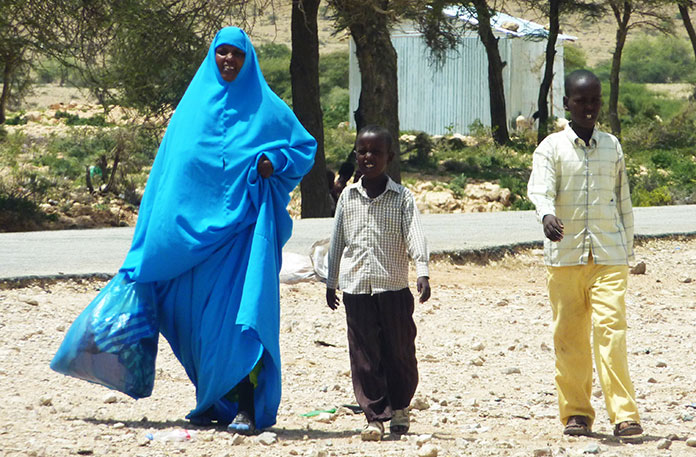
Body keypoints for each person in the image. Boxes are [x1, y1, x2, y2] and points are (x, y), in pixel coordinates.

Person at [51, 27, 316, 434]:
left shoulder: (268, 108)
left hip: (240, 240)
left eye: (236, 54)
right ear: (213, 56)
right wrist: (147, 248)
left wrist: (273, 162)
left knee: (241, 320)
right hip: (190, 245)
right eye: (222, 52)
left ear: (249, 60)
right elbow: (166, 180)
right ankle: (213, 400)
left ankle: (246, 405)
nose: (228, 60)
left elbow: (302, 148)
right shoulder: (190, 111)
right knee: (198, 326)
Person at [526, 69, 642, 438]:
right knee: (570, 338)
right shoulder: (551, 148)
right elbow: (540, 188)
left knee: (612, 333)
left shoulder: (612, 146)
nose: (588, 107)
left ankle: (624, 415)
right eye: (581, 101)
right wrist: (546, 214)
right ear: (566, 104)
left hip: (609, 255)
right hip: (566, 259)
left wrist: (627, 249)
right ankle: (576, 413)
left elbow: (623, 201)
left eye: (594, 100)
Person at [325, 125, 431, 441]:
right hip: (356, 287)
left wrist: (422, 271)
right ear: (356, 155)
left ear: (389, 157)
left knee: (399, 350)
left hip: (393, 287)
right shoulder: (347, 197)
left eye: (376, 152)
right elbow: (337, 240)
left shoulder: (402, 197)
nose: (368, 157)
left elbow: (415, 235)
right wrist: (331, 281)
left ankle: (399, 408)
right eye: (363, 151)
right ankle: (375, 416)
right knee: (363, 354)